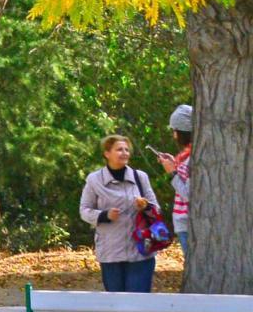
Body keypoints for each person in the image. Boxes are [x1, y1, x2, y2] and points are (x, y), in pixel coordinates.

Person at [80, 134, 159, 298]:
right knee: (118, 303)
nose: (124, 153)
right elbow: (84, 210)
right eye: (119, 149)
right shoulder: (94, 180)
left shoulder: (140, 177)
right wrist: (104, 215)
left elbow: (156, 208)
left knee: (138, 303)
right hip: (110, 252)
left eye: (126, 150)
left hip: (140, 251)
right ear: (107, 153)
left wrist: (145, 206)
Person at [156, 105, 192, 253]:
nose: (174, 136)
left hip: (188, 223)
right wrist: (174, 163)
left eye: (175, 131)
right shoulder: (187, 157)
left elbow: (189, 194)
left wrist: (172, 172)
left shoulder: (195, 158)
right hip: (185, 223)